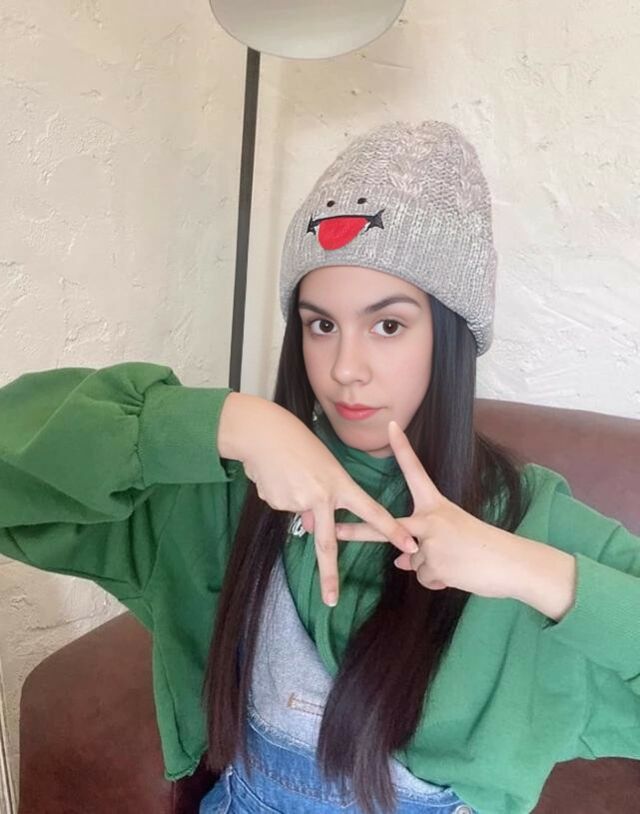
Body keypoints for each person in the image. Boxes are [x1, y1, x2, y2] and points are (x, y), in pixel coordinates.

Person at [1, 121, 639, 814]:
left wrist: (527, 570)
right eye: (321, 324)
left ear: (451, 334)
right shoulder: (227, 487)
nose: (344, 369)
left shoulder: (532, 519)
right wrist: (229, 422)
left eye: (388, 325)